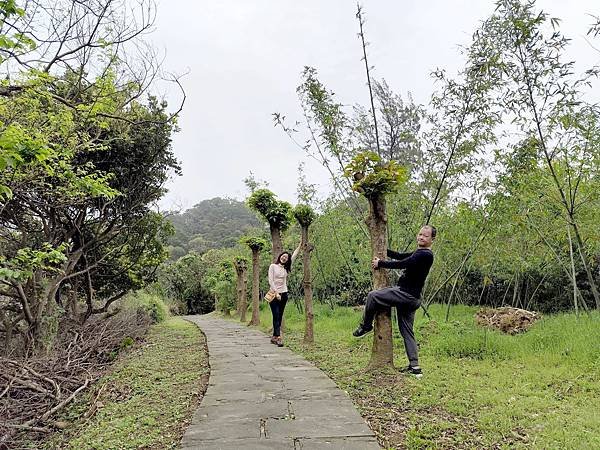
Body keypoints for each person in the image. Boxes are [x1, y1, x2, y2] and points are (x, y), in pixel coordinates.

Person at [353, 225, 436, 377]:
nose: (421, 237)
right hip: (413, 298)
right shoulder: (419, 252)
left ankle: (365, 326)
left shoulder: (425, 255)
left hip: (406, 295)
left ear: (432, 239)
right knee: (407, 331)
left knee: (373, 296)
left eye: (425, 236)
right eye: (420, 234)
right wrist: (383, 250)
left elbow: (403, 264)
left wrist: (381, 263)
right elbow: (399, 256)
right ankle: (415, 366)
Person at [268, 246, 300, 347]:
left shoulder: (286, 269)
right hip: (273, 294)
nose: (284, 258)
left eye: (286, 257)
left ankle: (274, 337)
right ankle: (278, 337)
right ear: (280, 256)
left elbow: (294, 256)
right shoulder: (273, 266)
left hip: (284, 294)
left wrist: (300, 245)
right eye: (283, 256)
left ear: (287, 260)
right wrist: (276, 293)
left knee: (280, 316)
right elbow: (271, 280)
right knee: (276, 314)